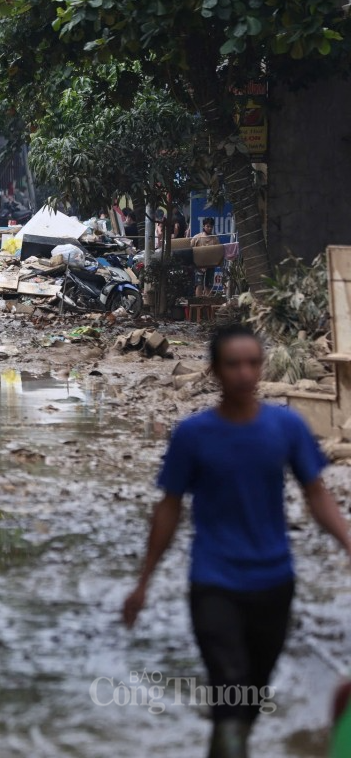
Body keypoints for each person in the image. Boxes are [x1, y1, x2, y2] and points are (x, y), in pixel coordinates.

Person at [123, 324, 351, 758]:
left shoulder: (286, 427)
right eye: (233, 364)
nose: (245, 373)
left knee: (248, 699)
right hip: (214, 583)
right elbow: (168, 509)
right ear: (214, 370)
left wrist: (347, 541)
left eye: (252, 363)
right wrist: (143, 583)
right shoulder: (193, 435)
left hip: (274, 583)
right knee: (230, 690)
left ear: (261, 367)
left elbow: (317, 494)